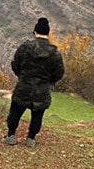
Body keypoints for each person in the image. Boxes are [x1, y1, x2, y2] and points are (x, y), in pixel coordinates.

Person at [5, 18, 65, 147]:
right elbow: (59, 73)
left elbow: (15, 65)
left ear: (35, 31)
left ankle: (11, 136)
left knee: (15, 112)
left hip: (24, 87)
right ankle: (31, 138)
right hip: (42, 90)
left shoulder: (24, 48)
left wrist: (22, 76)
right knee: (37, 115)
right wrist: (49, 82)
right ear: (48, 33)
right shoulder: (55, 54)